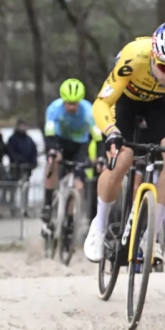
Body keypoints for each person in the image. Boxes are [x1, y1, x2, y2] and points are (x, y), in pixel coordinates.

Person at [84, 20, 165, 264]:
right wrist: (111, 131)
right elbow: (102, 103)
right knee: (123, 159)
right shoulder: (134, 57)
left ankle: (151, 236)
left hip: (160, 103)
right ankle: (98, 226)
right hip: (126, 100)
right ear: (153, 55)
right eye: (164, 66)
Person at [42, 79, 103, 231]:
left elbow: (99, 137)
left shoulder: (88, 111)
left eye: (75, 103)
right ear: (63, 101)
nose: (71, 106)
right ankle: (48, 203)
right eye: (68, 103)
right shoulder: (54, 109)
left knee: (78, 184)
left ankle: (69, 219)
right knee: (53, 161)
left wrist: (101, 156)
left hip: (79, 146)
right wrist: (52, 150)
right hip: (59, 141)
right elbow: (49, 134)